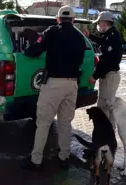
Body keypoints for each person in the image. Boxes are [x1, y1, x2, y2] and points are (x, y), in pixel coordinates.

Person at [20, 5, 87, 171]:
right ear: (73, 20)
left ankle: (36, 160)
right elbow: (81, 58)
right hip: (72, 84)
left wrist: (27, 50)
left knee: (43, 122)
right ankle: (64, 157)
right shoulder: (79, 37)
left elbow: (34, 51)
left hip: (54, 84)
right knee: (65, 123)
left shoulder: (52, 32)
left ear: (58, 19)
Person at [86, 11, 122, 130]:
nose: (100, 27)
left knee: (105, 105)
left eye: (101, 24)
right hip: (108, 75)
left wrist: (94, 76)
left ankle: (106, 134)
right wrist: (90, 36)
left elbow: (106, 61)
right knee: (106, 105)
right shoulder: (109, 35)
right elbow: (102, 41)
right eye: (99, 24)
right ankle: (108, 133)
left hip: (110, 76)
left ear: (107, 23)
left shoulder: (112, 37)